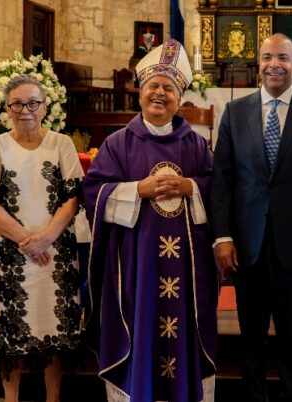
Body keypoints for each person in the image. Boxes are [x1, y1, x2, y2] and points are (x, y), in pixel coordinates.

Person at [83, 39, 218, 402]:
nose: (160, 93)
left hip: (186, 271)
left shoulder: (195, 144)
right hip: (135, 264)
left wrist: (191, 185)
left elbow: (217, 187)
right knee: (141, 322)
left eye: (169, 88)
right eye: (153, 86)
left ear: (180, 98)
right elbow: (94, 191)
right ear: (139, 93)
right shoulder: (117, 143)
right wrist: (137, 190)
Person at [211, 33, 292, 402]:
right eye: (268, 57)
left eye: (283, 58)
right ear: (259, 64)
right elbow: (222, 178)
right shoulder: (235, 113)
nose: (274, 64)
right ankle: (254, 396)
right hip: (246, 242)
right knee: (250, 332)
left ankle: (291, 393)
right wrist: (222, 236)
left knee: (291, 329)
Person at [0, 75, 83, 402]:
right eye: (17, 104)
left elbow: (73, 197)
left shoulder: (62, 144)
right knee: (13, 331)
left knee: (55, 329)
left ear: (44, 106)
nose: (25, 110)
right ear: (7, 109)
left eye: (32, 103)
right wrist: (27, 240)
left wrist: (46, 238)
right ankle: (11, 398)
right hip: (11, 258)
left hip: (56, 255)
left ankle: (53, 397)